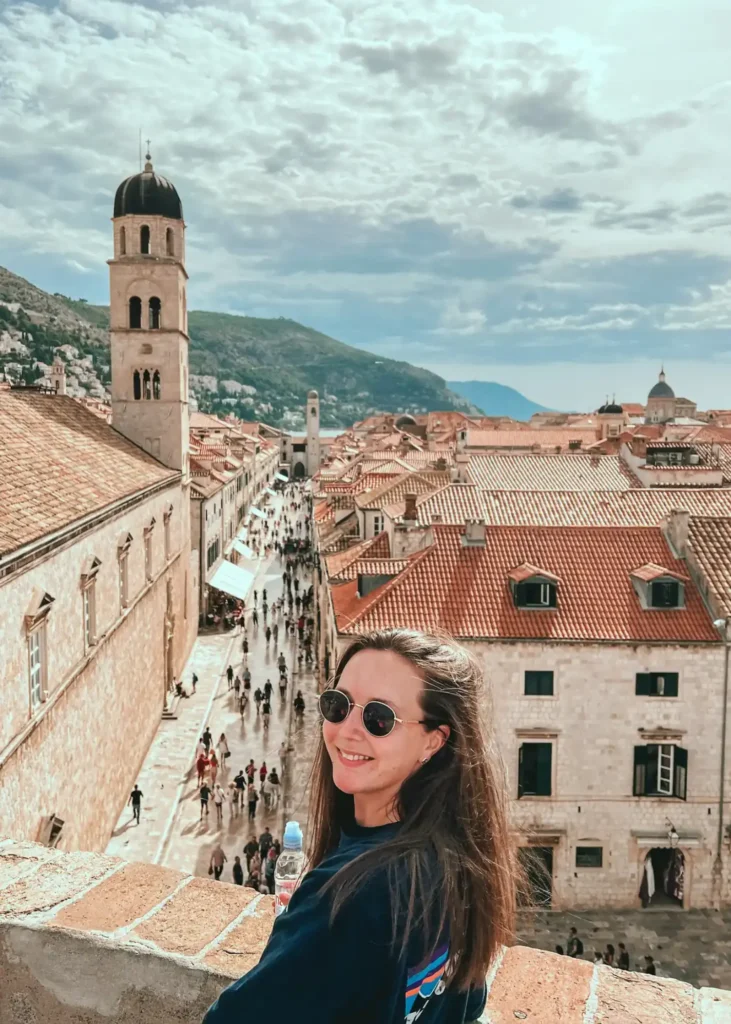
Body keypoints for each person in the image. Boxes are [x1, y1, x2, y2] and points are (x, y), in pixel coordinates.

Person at [203, 628, 515, 1023]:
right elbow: (467, 1004)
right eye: (339, 705)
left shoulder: (353, 893)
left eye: (378, 718)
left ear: (433, 742)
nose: (348, 729)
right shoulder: (457, 858)